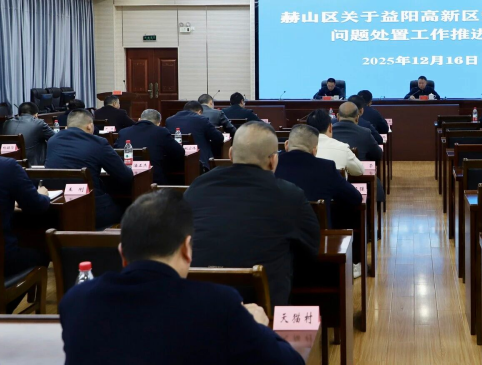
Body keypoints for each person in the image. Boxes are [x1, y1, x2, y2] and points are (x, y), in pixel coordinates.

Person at [59, 189, 304, 365]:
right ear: (187, 248)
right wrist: (258, 326)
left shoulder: (76, 300)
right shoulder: (217, 304)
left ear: (122, 253)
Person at [184, 121, 319, 307]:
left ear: (231, 154)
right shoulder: (290, 195)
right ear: (273, 160)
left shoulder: (197, 187)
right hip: (260, 307)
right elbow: (311, 248)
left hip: (196, 301)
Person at [275, 125, 363, 275]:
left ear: (287, 145)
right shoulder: (326, 168)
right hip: (316, 249)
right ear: (314, 150)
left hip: (277, 245)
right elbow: (355, 198)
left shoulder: (272, 165)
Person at [45, 109, 133, 229]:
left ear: (67, 126)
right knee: (127, 207)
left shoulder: (52, 141)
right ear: (90, 126)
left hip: (60, 209)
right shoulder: (98, 143)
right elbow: (125, 176)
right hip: (92, 209)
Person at [0, 128, 51, 282]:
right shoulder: (6, 167)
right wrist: (43, 196)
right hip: (0, 259)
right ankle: (9, 297)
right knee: (45, 252)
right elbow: (36, 206)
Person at [332, 101, 385, 202]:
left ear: (337, 116)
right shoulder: (365, 133)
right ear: (357, 118)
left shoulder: (329, 132)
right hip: (360, 179)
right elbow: (378, 154)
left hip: (333, 181)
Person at [114, 109, 184, 185]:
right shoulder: (161, 132)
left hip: (124, 180)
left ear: (139, 119)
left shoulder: (123, 132)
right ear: (158, 123)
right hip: (153, 180)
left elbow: (115, 153)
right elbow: (180, 152)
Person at [165, 101, 224, 171]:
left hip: (175, 163)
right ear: (199, 112)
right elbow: (219, 138)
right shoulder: (201, 119)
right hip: (199, 162)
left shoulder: (169, 120)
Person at [307, 109, 364, 176]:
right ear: (330, 127)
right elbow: (360, 171)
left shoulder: (300, 149)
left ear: (307, 130)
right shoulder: (342, 148)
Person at [2, 101, 54, 166]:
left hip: (8, 163)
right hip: (31, 165)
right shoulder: (39, 123)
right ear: (36, 115)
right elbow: (55, 138)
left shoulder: (7, 123)